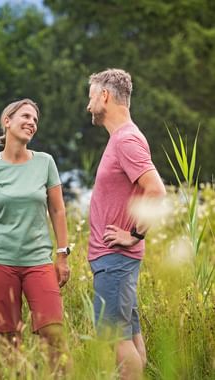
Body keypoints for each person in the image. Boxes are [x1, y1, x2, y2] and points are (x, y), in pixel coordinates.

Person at [0, 98, 70, 371]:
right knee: (7, 341)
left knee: (54, 335)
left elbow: (58, 210)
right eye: (26, 116)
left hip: (38, 261)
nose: (32, 123)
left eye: (35, 120)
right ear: (7, 121)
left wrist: (62, 255)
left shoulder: (45, 162)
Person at [86, 69, 166, 380]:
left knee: (113, 337)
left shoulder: (127, 139)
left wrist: (134, 234)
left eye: (91, 96)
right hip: (115, 261)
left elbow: (156, 190)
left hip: (116, 260)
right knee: (129, 337)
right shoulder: (122, 138)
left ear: (104, 96)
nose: (88, 104)